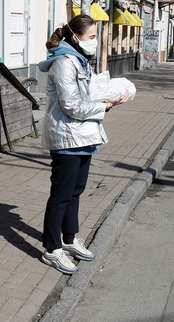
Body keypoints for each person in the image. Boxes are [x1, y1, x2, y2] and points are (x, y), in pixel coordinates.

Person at [37, 14, 129, 274]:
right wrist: (106, 105)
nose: (95, 42)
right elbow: (72, 105)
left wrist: (105, 92)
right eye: (91, 37)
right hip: (66, 138)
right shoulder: (65, 63)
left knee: (75, 192)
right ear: (75, 37)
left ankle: (68, 240)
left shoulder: (79, 61)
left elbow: (84, 96)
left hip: (83, 136)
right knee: (61, 195)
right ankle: (52, 249)